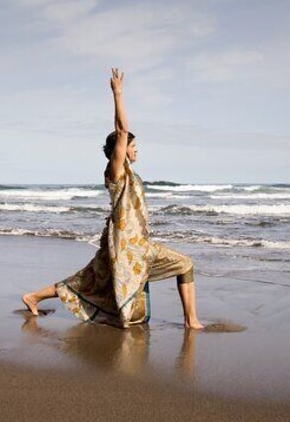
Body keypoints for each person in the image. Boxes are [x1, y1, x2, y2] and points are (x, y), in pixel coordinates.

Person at [22, 68, 204, 329]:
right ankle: (192, 321)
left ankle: (33, 296)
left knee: (86, 281)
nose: (135, 147)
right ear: (119, 150)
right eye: (132, 144)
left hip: (134, 245)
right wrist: (118, 93)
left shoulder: (131, 174)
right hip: (125, 248)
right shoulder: (115, 172)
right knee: (184, 263)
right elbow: (121, 130)